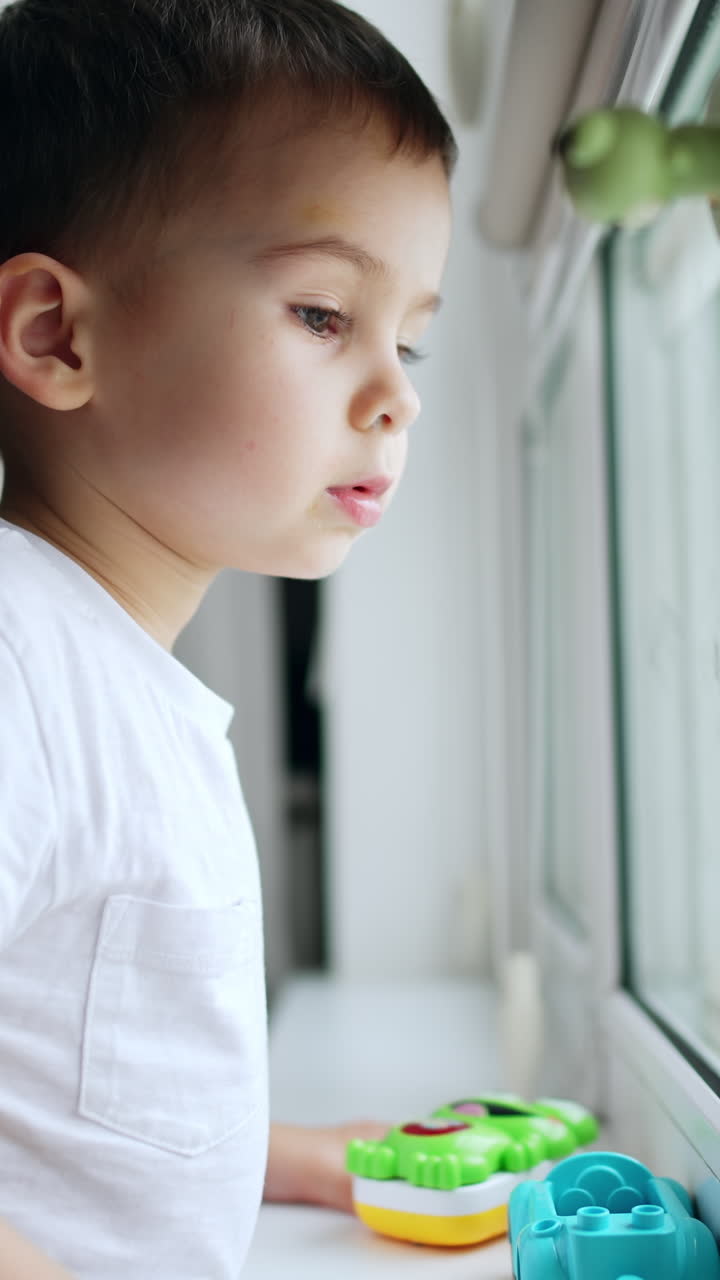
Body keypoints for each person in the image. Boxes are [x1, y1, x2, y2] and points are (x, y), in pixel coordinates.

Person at [0, 0, 455, 1275]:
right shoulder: (21, 657)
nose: (398, 392)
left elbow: (63, 1079)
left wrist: (290, 1153)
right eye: (324, 315)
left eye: (408, 336)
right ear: (58, 335)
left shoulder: (117, 676)